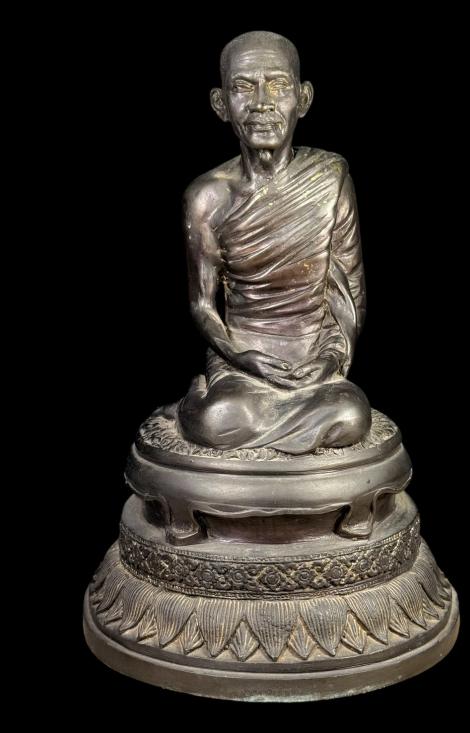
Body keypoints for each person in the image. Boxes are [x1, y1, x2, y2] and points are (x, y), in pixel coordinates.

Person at [177, 31, 371, 454]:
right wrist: (241, 357)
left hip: (312, 353)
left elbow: (347, 292)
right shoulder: (207, 197)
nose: (262, 103)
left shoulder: (330, 180)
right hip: (242, 355)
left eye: (279, 85)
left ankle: (261, 424)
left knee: (352, 415)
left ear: (303, 98)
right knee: (218, 418)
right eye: (243, 87)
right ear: (220, 104)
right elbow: (202, 305)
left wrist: (330, 360)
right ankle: (203, 407)